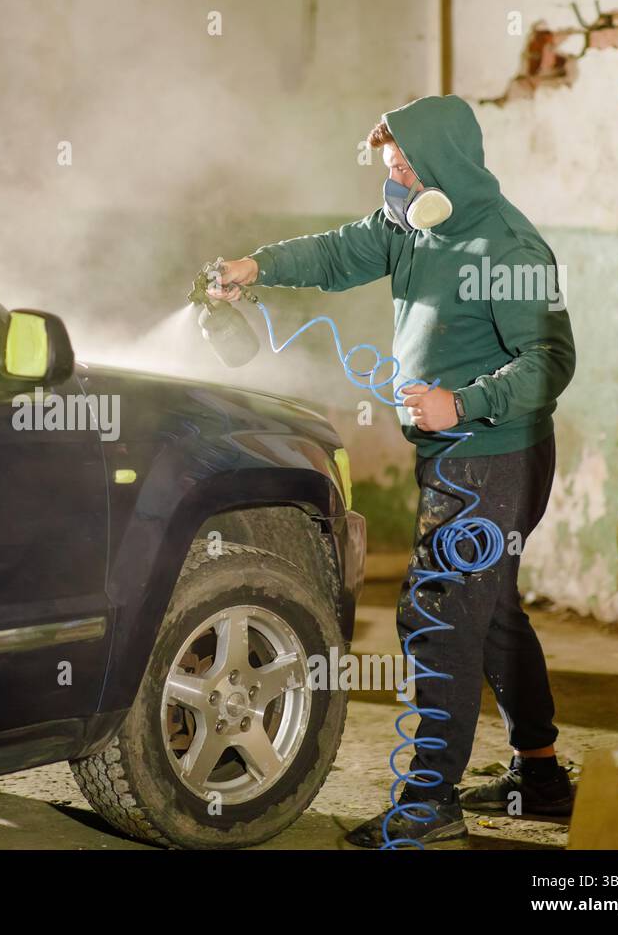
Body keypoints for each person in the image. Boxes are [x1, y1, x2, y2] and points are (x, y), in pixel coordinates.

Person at [209, 95, 577, 848]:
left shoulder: (508, 250)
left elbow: (551, 363)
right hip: (453, 452)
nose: (396, 185)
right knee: (495, 612)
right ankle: (540, 776)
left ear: (445, 168)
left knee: (439, 617)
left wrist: (463, 402)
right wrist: (258, 267)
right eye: (390, 172)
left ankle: (425, 808)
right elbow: (340, 252)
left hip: (492, 458)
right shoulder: (414, 225)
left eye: (406, 169)